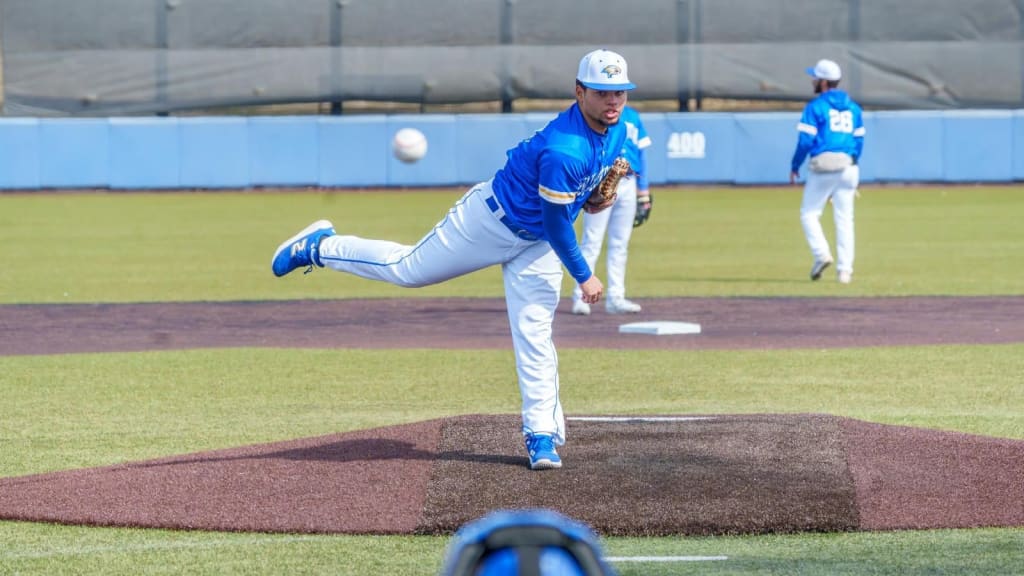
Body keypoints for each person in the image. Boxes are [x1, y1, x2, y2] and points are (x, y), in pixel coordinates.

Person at [270, 49, 636, 471]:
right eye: (603, 92)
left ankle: (541, 435)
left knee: (535, 332)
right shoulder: (564, 149)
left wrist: (590, 198)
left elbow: (575, 204)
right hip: (489, 222)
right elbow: (557, 226)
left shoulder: (618, 130)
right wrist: (585, 275)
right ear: (579, 91)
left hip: (534, 246)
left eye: (620, 93)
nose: (613, 101)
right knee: (406, 270)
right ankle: (320, 246)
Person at [789, 58, 865, 284]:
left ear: (823, 82)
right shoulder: (853, 107)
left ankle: (821, 254)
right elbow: (859, 141)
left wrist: (795, 165)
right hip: (848, 165)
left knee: (809, 213)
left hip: (823, 164)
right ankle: (845, 272)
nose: (812, 80)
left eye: (815, 77)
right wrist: (852, 164)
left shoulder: (816, 107)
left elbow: (805, 140)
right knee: (845, 219)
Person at [571, 104, 652, 315]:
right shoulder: (595, 113)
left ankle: (616, 297)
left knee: (620, 243)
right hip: (602, 182)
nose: (614, 98)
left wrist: (643, 192)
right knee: (592, 240)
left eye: (619, 92)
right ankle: (581, 296)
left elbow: (641, 154)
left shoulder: (633, 117)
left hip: (628, 182)